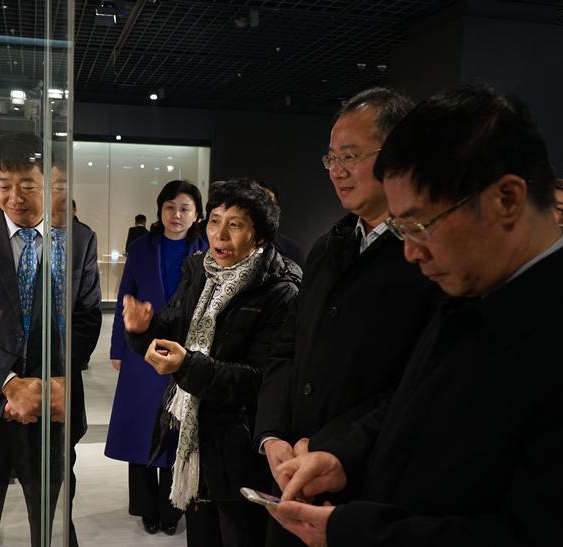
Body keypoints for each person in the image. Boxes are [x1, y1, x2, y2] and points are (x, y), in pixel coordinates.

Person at [269, 83, 563, 547]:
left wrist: (355, 531)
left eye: (420, 225)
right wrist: (344, 459)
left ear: (507, 199)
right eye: (400, 228)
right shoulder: (470, 290)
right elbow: (410, 406)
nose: (410, 251)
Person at [253, 88, 441, 547]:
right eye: (331, 158)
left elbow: (421, 383)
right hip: (295, 474)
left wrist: (337, 448)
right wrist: (272, 435)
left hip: (371, 485)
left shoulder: (428, 257)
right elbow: (286, 348)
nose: (337, 170)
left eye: (351, 156)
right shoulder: (327, 246)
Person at [0, 133, 102, 547]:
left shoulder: (79, 239)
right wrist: (9, 383)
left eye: (27, 185)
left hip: (53, 406)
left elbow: (85, 317)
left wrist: (58, 381)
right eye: (3, 185)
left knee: (52, 522)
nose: (14, 197)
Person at [123, 178, 302, 547]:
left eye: (234, 224)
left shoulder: (280, 290)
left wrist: (186, 366)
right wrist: (143, 331)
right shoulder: (199, 272)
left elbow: (260, 379)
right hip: (196, 443)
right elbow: (171, 325)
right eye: (215, 221)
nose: (220, 234)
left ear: (259, 236)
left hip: (242, 450)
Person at [105, 180, 207, 536]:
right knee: (141, 430)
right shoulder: (142, 248)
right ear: (160, 210)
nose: (176, 215)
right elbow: (126, 298)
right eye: (170, 207)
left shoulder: (206, 250)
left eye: (184, 208)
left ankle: (172, 507)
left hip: (187, 352)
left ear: (196, 215)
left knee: (178, 432)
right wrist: (118, 348)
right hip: (143, 351)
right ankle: (146, 507)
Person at [258, 181, 306, 268]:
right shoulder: (234, 244)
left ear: (277, 211)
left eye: (269, 204)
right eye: (259, 203)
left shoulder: (292, 250)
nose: (264, 210)